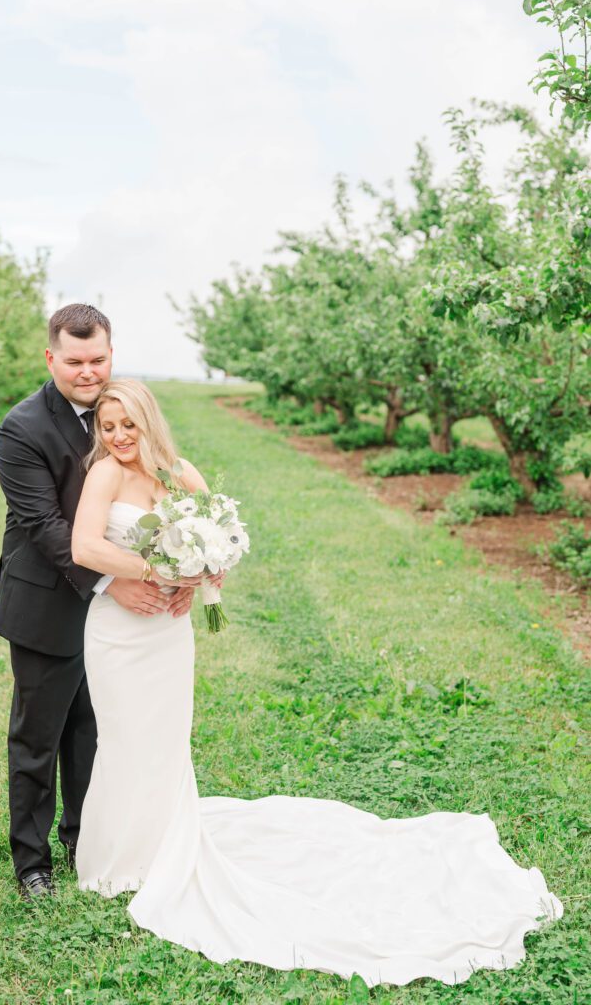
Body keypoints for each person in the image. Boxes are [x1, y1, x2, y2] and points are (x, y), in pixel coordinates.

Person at [71, 377, 563, 988]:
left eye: (129, 425)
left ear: (149, 423)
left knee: (166, 740)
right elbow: (85, 546)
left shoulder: (176, 471)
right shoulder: (105, 477)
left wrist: (196, 579)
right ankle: (116, 862)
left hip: (168, 634)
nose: (118, 437)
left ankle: (163, 845)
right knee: (123, 739)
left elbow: (219, 536)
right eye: (108, 426)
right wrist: (153, 567)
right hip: (119, 630)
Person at [0, 305, 194, 901]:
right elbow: (45, 524)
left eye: (98, 359)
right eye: (75, 361)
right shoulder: (22, 427)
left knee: (94, 727)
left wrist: (188, 568)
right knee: (39, 735)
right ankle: (32, 861)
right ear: (51, 357)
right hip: (49, 599)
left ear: (111, 353)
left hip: (119, 614)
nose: (88, 372)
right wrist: (115, 582)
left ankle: (87, 837)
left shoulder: (123, 414)